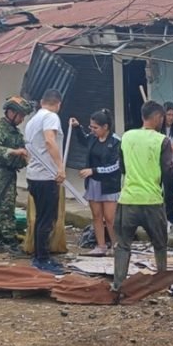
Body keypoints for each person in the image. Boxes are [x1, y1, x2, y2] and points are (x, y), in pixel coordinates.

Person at [112, 101, 173, 291]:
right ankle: (162, 283)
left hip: (128, 200)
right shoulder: (162, 141)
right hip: (152, 201)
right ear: (158, 118)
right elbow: (168, 173)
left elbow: (122, 167)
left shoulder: (126, 137)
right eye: (163, 117)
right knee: (159, 245)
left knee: (123, 245)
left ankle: (117, 286)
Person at [24, 89, 67, 275]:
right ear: (58, 104)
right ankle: (42, 259)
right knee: (47, 219)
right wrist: (60, 167)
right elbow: (50, 141)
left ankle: (41, 255)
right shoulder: (51, 117)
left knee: (41, 217)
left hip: (34, 175)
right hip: (46, 176)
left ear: (42, 101)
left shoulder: (32, 120)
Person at [0, 96, 33, 258]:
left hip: (9, 172)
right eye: (20, 116)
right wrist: (13, 152)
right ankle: (12, 244)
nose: (21, 120)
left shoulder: (14, 132)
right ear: (11, 113)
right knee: (5, 208)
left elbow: (22, 149)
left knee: (1, 207)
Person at [70, 109, 121, 257]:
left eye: (95, 128)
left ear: (105, 127)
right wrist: (77, 127)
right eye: (91, 127)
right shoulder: (92, 138)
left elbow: (115, 166)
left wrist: (94, 170)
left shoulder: (115, 142)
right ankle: (101, 245)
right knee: (97, 216)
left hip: (109, 184)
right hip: (93, 183)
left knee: (110, 218)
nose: (92, 130)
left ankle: (116, 245)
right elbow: (83, 140)